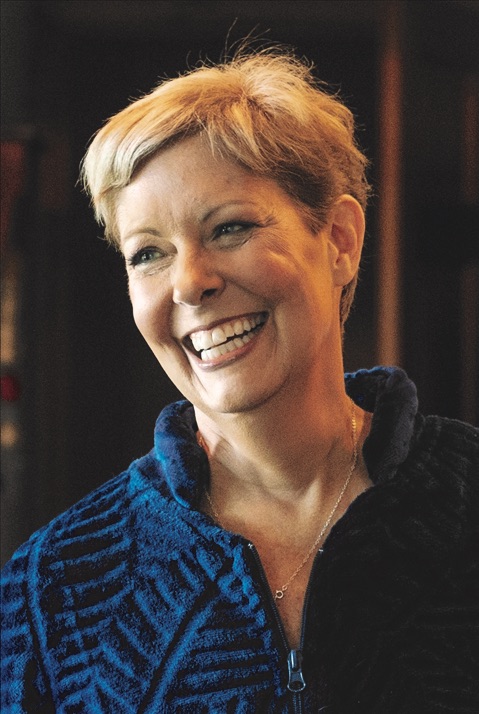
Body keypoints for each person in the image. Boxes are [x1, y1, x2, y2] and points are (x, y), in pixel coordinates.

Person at [1, 47, 478, 714]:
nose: (189, 282)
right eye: (148, 253)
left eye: (229, 228)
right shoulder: (55, 585)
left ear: (340, 240)